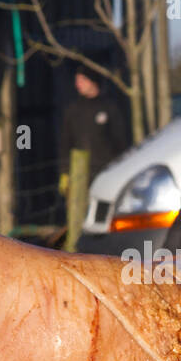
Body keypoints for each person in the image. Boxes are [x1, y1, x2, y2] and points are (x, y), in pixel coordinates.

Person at [58, 64, 127, 251]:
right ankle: (77, 249)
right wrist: (65, 173)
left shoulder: (110, 107)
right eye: (76, 80)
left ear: (92, 81)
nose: (78, 84)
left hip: (106, 173)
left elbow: (121, 142)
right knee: (79, 217)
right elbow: (65, 143)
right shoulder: (73, 110)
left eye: (82, 80)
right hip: (80, 176)